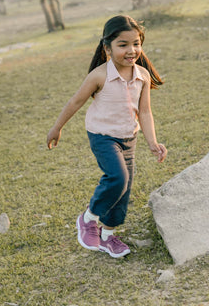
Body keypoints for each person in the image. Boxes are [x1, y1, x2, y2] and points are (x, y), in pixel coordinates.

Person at [47, 15, 167, 258]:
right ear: (107, 47)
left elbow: (144, 111)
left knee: (124, 191)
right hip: (102, 136)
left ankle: (107, 236)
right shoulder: (99, 75)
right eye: (123, 45)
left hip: (128, 138)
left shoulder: (142, 75)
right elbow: (75, 102)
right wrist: (57, 127)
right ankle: (88, 218)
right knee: (117, 177)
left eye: (136, 43)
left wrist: (152, 142)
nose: (131, 50)